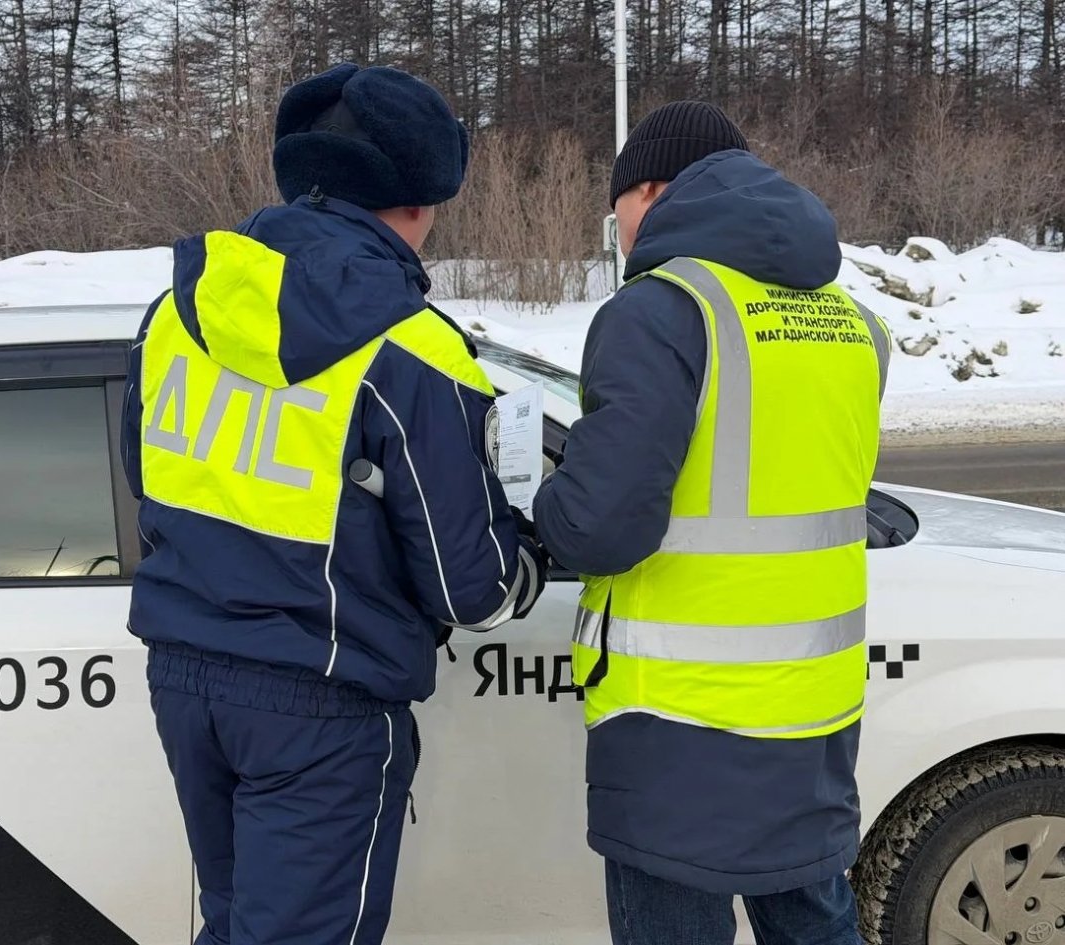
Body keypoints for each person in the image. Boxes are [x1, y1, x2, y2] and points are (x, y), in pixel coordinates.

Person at [121, 63, 547, 945]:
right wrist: (533, 562)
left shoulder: (176, 315)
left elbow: (149, 477)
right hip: (317, 702)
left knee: (240, 924)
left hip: (185, 677)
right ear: (423, 203)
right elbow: (472, 587)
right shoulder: (412, 349)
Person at [532, 101, 891, 945]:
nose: (616, 230)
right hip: (814, 713)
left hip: (680, 726)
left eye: (615, 205)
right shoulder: (853, 323)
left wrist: (543, 494)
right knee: (812, 923)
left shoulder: (659, 310)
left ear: (650, 191)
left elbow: (598, 528)